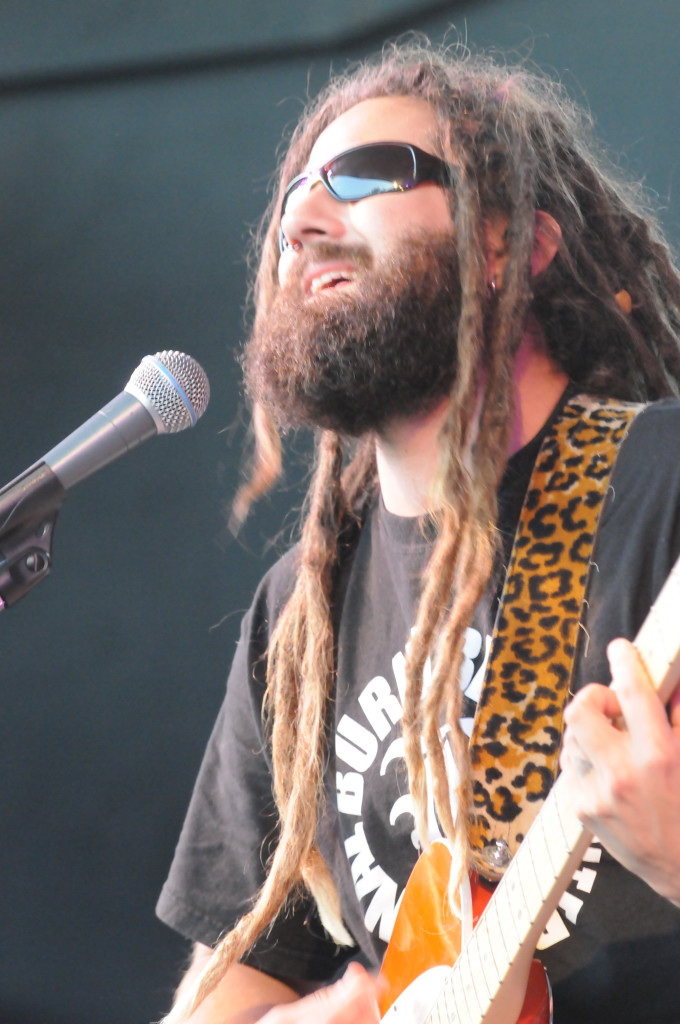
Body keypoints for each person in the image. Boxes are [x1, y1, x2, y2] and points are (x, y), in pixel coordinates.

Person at [156, 40, 680, 1024]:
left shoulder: (662, 489)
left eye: (363, 175)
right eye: (292, 199)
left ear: (509, 245)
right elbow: (237, 977)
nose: (301, 222)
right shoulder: (300, 613)